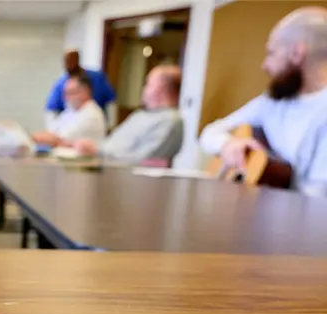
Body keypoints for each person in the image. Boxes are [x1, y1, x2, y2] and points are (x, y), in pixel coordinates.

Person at [200, 6, 327, 196]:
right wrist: (227, 144)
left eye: (271, 53)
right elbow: (209, 133)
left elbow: (316, 199)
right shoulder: (272, 102)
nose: (264, 65)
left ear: (297, 53)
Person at [73, 65, 184, 164]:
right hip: (104, 163)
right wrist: (94, 148)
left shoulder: (170, 121)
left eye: (148, 84)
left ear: (162, 88)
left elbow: (143, 160)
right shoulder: (140, 115)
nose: (144, 89)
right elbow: (112, 145)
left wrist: (97, 151)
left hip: (122, 173)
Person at [32, 73, 107, 148]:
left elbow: (57, 139)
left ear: (85, 92)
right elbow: (52, 131)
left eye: (70, 93)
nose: (65, 98)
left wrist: (32, 138)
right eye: (65, 93)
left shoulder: (91, 115)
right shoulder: (71, 111)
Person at [46, 50, 116, 120]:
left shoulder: (97, 77)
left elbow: (111, 101)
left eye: (74, 92)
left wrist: (111, 124)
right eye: (69, 93)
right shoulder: (61, 83)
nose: (69, 97)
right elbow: (51, 109)